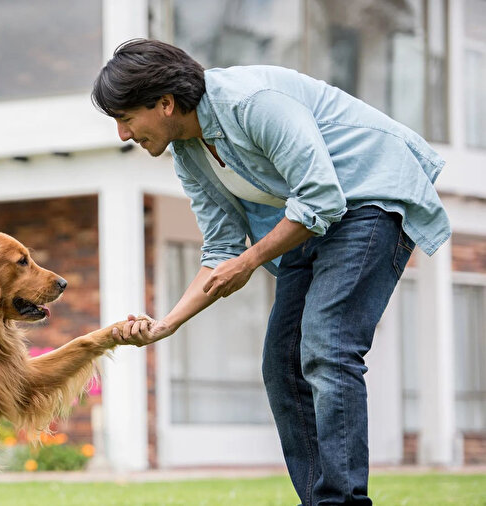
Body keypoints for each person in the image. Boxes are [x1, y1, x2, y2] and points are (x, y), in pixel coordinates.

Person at [93, 39, 450, 506]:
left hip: (369, 200)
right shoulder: (189, 152)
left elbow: (320, 196)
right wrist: (166, 323)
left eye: (125, 118)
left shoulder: (251, 102)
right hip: (310, 220)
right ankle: (318, 499)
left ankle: (342, 501)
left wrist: (251, 259)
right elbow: (222, 249)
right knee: (282, 364)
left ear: (164, 104)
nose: (122, 134)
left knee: (328, 343)